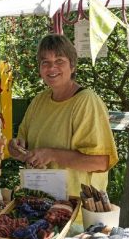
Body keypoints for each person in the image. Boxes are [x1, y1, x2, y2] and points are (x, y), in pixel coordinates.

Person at [8, 34, 118, 198]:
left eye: (59, 61)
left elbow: (101, 162)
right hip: (39, 205)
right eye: (45, 62)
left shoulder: (86, 101)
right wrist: (16, 148)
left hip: (77, 212)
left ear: (72, 66)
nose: (52, 68)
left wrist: (51, 154)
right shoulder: (39, 100)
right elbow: (21, 147)